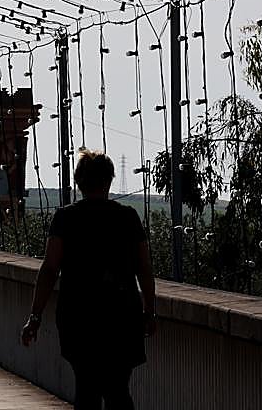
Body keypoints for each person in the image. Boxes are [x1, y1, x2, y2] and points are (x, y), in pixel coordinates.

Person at [21, 150, 157, 410]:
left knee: (87, 388)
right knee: (118, 389)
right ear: (109, 181)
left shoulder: (65, 218)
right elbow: (144, 269)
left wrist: (35, 317)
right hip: (122, 316)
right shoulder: (128, 217)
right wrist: (149, 311)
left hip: (78, 318)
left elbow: (49, 269)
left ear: (79, 183)